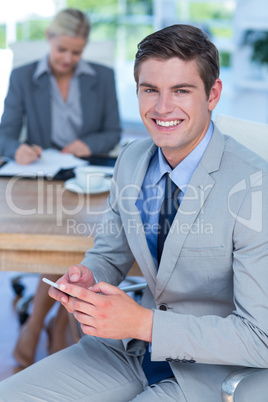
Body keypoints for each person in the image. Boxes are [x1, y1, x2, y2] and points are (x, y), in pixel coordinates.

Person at [0, 24, 267, 402]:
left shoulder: (255, 184)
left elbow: (262, 338)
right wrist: (89, 276)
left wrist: (145, 322)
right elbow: (110, 252)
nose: (162, 108)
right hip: (128, 351)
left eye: (181, 91)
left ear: (213, 94)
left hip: (208, 372)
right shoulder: (132, 159)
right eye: (150, 90)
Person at [1, 7, 121, 369]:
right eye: (62, 49)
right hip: (43, 181)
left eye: (77, 51)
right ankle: (48, 325)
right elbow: (4, 133)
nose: (69, 58)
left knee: (76, 240)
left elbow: (113, 131)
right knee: (67, 244)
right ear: (50, 39)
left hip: (88, 181)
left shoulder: (102, 76)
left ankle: (37, 325)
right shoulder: (24, 76)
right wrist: (15, 149)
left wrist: (89, 142)